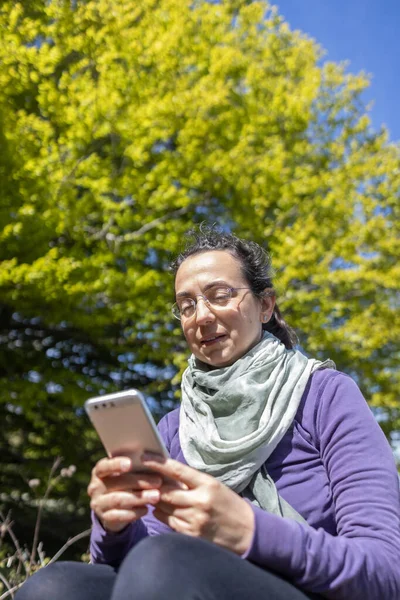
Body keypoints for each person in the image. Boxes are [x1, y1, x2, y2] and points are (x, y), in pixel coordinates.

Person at [15, 228, 400, 600]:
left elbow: (385, 572)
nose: (200, 316)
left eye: (220, 295)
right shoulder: (173, 428)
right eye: (186, 306)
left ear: (265, 305)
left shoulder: (326, 395)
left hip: (305, 589)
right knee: (52, 587)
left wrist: (252, 531)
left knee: (165, 560)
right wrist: (114, 526)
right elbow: (131, 569)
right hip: (174, 577)